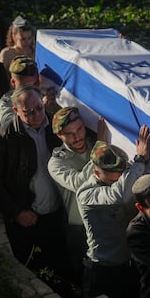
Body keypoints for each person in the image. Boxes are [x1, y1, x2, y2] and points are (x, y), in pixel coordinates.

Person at [0, 85, 71, 281]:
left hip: (56, 214)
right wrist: (15, 212)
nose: (37, 115)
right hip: (27, 219)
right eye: (28, 112)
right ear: (15, 111)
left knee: (62, 267)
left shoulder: (57, 128)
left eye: (39, 108)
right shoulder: (1, 139)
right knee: (34, 270)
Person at [77, 129, 150, 298]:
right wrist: (140, 159)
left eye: (122, 173)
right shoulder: (86, 194)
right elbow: (119, 194)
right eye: (114, 176)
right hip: (102, 272)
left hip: (129, 267)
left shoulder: (121, 177)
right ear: (96, 171)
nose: (120, 179)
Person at [48, 107, 107, 286]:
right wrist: (100, 149)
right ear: (59, 135)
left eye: (80, 129)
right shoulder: (57, 162)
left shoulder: (93, 144)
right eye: (70, 133)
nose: (77, 136)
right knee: (86, 279)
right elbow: (80, 183)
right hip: (79, 229)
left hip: (105, 221)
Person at [0, 55, 40, 125]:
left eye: (35, 83)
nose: (31, 89)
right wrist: (39, 109)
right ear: (13, 83)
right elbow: (9, 126)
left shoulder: (42, 95)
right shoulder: (7, 102)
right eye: (25, 86)